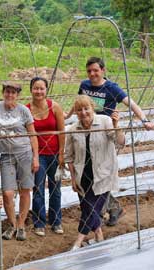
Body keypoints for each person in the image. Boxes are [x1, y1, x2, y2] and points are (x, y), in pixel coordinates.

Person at [66, 57, 154, 226]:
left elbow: (132, 104)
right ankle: (112, 208)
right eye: (89, 71)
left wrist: (144, 121)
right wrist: (68, 116)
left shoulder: (111, 88)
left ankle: (100, 212)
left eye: (95, 70)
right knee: (90, 174)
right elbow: (79, 103)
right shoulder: (84, 85)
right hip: (86, 135)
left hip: (105, 136)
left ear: (103, 70)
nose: (92, 74)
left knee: (102, 174)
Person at [65, 95, 125, 250]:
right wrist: (73, 179)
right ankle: (99, 235)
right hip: (82, 176)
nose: (83, 112)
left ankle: (78, 242)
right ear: (76, 113)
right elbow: (69, 157)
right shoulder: (72, 130)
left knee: (92, 209)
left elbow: (120, 142)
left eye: (86, 108)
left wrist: (116, 125)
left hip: (103, 175)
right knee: (88, 208)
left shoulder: (105, 121)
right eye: (79, 110)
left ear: (92, 108)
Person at [0, 82, 39, 241]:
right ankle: (12, 224)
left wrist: (35, 157)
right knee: (8, 193)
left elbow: (32, 134)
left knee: (25, 190)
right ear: (3, 93)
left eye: (13, 93)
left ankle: (21, 225)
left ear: (18, 95)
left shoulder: (24, 110)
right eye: (7, 92)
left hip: (24, 153)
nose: (10, 95)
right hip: (6, 155)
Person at [26, 77, 65, 236]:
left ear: (46, 90)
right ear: (31, 90)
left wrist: (61, 153)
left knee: (56, 189)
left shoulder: (55, 107)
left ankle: (56, 221)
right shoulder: (26, 109)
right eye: (36, 88)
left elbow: (62, 132)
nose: (39, 91)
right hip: (38, 154)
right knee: (38, 188)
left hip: (55, 153)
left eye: (42, 88)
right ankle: (39, 222)